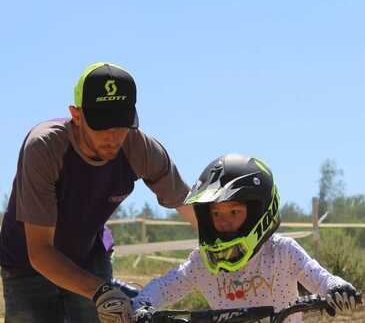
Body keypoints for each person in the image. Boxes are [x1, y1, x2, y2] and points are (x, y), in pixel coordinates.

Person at [0, 62, 196, 323]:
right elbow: (40, 252)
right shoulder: (44, 147)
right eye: (102, 125)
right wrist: (101, 291)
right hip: (27, 264)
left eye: (122, 125)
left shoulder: (140, 148)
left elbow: (190, 207)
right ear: (76, 115)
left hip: (88, 257)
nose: (113, 137)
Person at [133, 154, 361, 323]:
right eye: (216, 213)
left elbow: (318, 277)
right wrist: (141, 305)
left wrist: (337, 288)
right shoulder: (203, 263)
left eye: (234, 212)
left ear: (258, 213)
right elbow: (165, 286)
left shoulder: (282, 252)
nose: (223, 221)